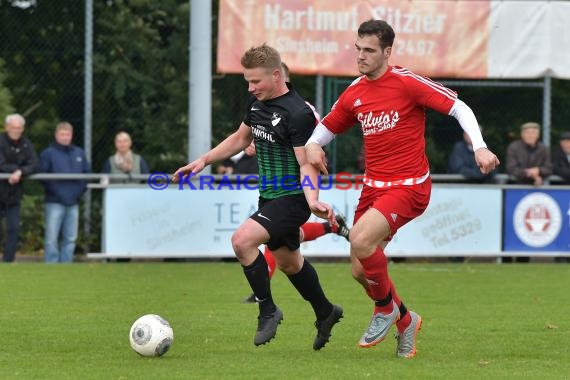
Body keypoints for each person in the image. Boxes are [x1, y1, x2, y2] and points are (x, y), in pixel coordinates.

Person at [301, 19, 499, 359]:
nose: (361, 56)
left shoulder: (407, 83)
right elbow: (323, 132)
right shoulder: (355, 92)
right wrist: (314, 145)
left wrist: (479, 146)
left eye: (369, 50)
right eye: (358, 49)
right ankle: (406, 320)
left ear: (387, 52)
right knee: (360, 270)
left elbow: (459, 107)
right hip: (373, 188)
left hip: (410, 186)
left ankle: (384, 310)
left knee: (361, 240)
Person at [172, 44, 342, 350]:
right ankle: (326, 312)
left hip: (293, 198)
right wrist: (203, 161)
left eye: (256, 82)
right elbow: (240, 138)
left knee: (242, 241)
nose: (251, 88)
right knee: (289, 263)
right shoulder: (257, 103)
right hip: (269, 196)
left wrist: (313, 200)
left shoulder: (298, 113)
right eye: (247, 82)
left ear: (276, 75)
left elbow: (307, 162)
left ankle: (267, 310)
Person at [242, 214, 350, 303]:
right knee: (282, 235)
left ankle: (260, 294)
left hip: (283, 194)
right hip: (275, 195)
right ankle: (333, 227)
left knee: (274, 237)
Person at [39, 122, 91, 263]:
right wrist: (58, 193)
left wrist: (77, 193)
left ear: (71, 135)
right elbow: (43, 177)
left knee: (70, 238)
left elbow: (86, 175)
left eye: (67, 134)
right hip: (54, 202)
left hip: (73, 202)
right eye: (62, 134)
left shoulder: (79, 153)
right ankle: (51, 266)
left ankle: (66, 265)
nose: (65, 137)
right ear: (56, 135)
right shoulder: (48, 153)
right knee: (51, 238)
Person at [0, 114, 38, 262]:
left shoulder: (26, 144)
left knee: (13, 228)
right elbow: (1, 164)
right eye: (13, 127)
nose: (16, 130)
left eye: (19, 128)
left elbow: (34, 163)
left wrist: (21, 172)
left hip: (14, 194)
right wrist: (16, 170)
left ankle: (8, 261)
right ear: (7, 127)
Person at [506, 122, 552, 186]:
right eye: (527, 133)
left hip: (539, 186)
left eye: (533, 133)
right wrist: (529, 174)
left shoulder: (543, 148)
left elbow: (549, 168)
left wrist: (539, 170)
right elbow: (511, 168)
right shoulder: (513, 147)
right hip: (516, 185)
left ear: (538, 135)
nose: (530, 135)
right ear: (522, 134)